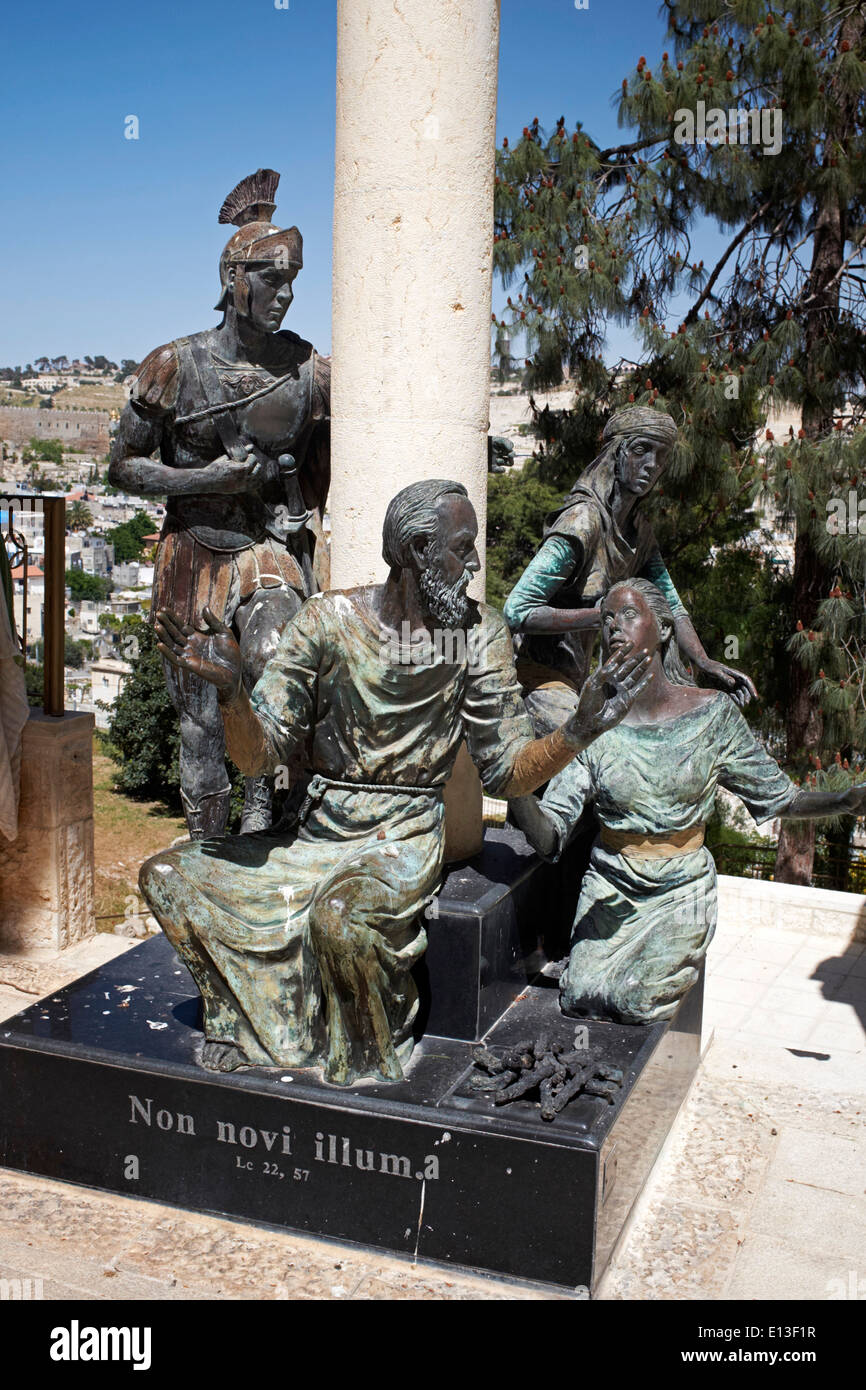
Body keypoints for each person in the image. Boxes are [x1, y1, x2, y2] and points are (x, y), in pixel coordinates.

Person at [140, 480, 651, 1086]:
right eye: (463, 549)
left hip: (401, 836)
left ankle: (357, 1048)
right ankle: (242, 1020)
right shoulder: (327, 621)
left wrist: (580, 729)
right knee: (168, 878)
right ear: (415, 550)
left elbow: (507, 770)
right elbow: (260, 757)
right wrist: (231, 696)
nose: (476, 565)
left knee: (339, 920)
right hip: (317, 833)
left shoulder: (477, 636)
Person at [511, 579, 866, 1025]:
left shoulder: (712, 714)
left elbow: (782, 799)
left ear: (662, 629)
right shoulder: (591, 723)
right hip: (612, 882)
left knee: (635, 1001)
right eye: (605, 618)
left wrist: (845, 800)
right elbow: (551, 836)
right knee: (582, 994)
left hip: (682, 888)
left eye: (627, 615)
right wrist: (516, 791)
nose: (613, 627)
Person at [109, 169, 331, 838]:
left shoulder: (309, 372)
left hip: (267, 552)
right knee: (201, 719)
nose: (285, 295)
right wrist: (208, 479)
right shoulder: (175, 365)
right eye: (272, 279)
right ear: (235, 279)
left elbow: (324, 470)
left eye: (292, 281)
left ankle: (269, 819)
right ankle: (209, 855)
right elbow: (122, 467)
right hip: (194, 558)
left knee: (273, 664)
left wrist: (295, 495)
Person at [503, 406, 756, 734]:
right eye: (641, 450)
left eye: (661, 457)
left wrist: (704, 662)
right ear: (615, 454)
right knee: (595, 754)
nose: (652, 465)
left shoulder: (639, 533)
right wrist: (604, 615)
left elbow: (672, 609)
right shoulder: (583, 521)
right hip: (539, 681)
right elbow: (516, 610)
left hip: (586, 683)